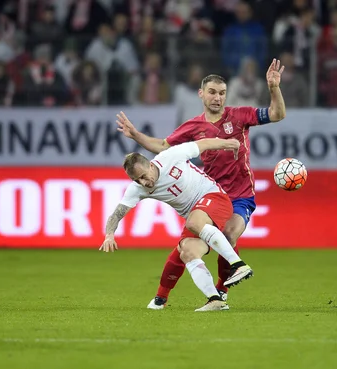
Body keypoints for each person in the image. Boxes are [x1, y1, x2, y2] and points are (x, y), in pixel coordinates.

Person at [116, 58, 286, 310]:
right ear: (201, 94)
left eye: (222, 93)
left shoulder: (240, 116)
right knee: (185, 248)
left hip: (240, 195)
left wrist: (273, 88)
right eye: (212, 92)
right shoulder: (193, 126)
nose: (218, 97)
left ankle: (221, 293)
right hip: (209, 196)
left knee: (229, 234)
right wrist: (135, 135)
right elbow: (163, 146)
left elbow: (277, 114)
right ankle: (161, 298)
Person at [100, 139, 253, 311]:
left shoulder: (171, 156)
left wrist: (228, 143)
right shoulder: (137, 189)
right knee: (186, 251)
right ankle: (215, 300)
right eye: (137, 180)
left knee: (194, 222)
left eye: (143, 176)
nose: (143, 183)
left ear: (151, 165)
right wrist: (109, 234)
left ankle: (238, 265)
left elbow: (202, 144)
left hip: (215, 197)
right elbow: (116, 214)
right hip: (197, 215)